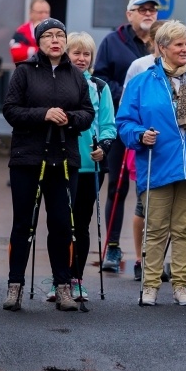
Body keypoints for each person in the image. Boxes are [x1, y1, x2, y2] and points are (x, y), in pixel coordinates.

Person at [117, 20, 186, 307]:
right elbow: (124, 122)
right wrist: (140, 135)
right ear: (162, 48)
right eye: (178, 44)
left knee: (184, 229)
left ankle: (181, 286)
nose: (185, 49)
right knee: (155, 229)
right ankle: (150, 286)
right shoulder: (142, 82)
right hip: (157, 164)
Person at [2, 18, 94, 312]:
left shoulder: (77, 76)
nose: (55, 40)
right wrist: (44, 114)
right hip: (28, 159)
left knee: (61, 225)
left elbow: (87, 113)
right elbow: (11, 111)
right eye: (48, 36)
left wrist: (69, 118)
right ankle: (14, 286)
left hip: (64, 160)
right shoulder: (24, 72)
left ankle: (63, 287)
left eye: (60, 35)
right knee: (23, 224)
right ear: (38, 42)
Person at [48, 31, 116, 302]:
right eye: (76, 52)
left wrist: (104, 148)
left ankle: (75, 279)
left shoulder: (100, 86)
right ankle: (58, 280)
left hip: (90, 167)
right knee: (60, 223)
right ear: (66, 54)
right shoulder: (55, 83)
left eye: (86, 53)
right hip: (59, 163)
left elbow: (110, 126)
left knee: (82, 224)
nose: (81, 58)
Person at [95, 0, 158, 274]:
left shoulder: (162, 38)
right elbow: (102, 78)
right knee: (117, 188)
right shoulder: (112, 42)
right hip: (123, 122)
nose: (147, 14)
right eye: (141, 9)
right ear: (129, 14)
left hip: (155, 126)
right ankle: (112, 247)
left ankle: (149, 254)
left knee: (152, 190)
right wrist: (129, 96)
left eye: (152, 10)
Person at [120, 19, 166, 281]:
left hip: (168, 148)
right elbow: (128, 106)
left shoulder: (184, 68)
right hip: (144, 144)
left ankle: (158, 259)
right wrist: (138, 134)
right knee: (143, 205)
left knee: (167, 209)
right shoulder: (140, 66)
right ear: (153, 42)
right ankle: (140, 257)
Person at [9, 0, 50, 64]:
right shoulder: (22, 31)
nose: (44, 16)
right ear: (31, 13)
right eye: (40, 12)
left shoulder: (55, 30)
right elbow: (15, 54)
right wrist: (39, 51)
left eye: (46, 12)